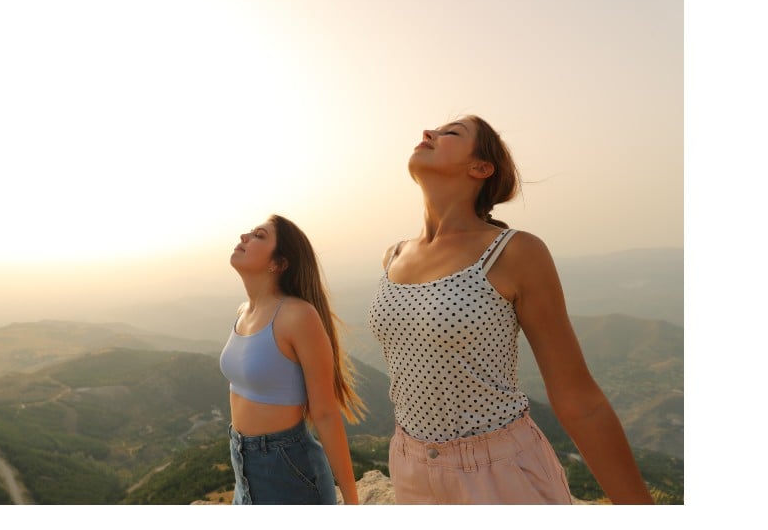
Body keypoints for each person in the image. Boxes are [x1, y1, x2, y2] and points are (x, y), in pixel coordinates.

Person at [368, 115, 654, 505]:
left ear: (481, 168)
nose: (428, 133)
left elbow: (579, 400)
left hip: (499, 474)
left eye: (451, 132)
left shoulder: (514, 251)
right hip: (409, 468)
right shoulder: (393, 255)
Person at [220, 214, 365, 505]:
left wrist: (351, 500)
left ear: (279, 263)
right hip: (242, 462)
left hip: (287, 468)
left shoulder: (297, 315)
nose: (244, 237)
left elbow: (325, 413)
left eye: (259, 235)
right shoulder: (243, 311)